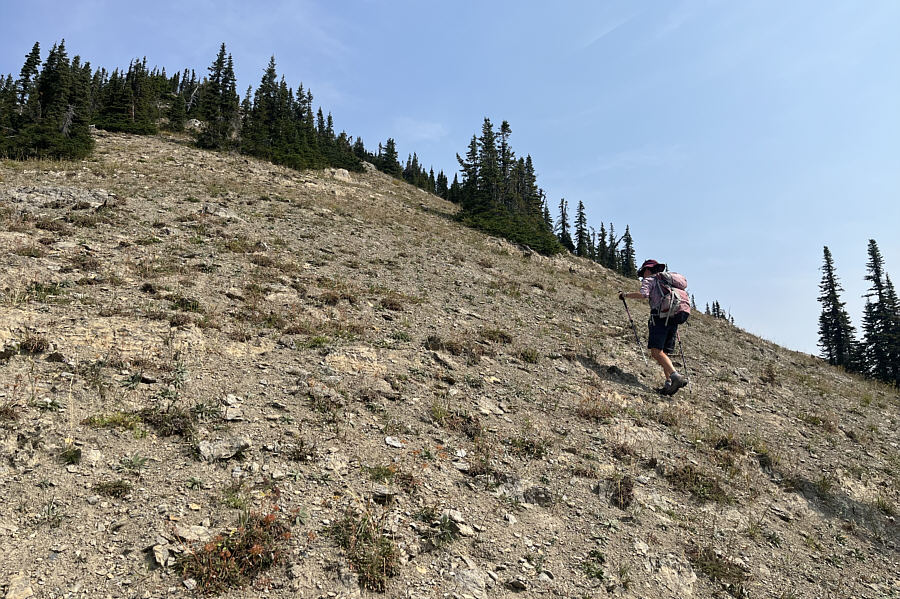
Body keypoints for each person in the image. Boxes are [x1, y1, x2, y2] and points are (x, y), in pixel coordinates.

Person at [619, 259, 689, 395]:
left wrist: (625, 295)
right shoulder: (667, 281)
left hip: (659, 318)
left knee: (656, 352)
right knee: (665, 353)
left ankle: (675, 377)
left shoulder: (650, 280)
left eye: (643, 272)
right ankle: (668, 384)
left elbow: (644, 295)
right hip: (673, 318)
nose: (642, 276)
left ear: (647, 270)